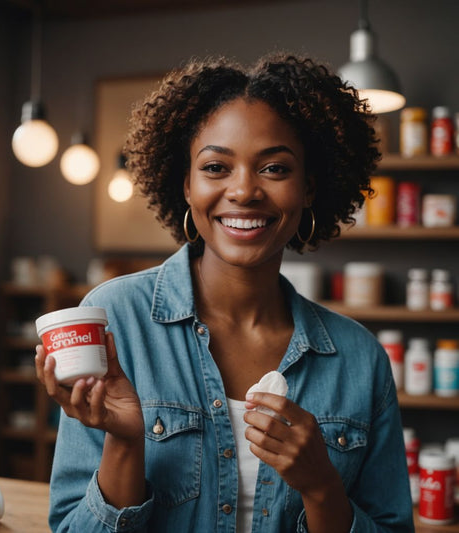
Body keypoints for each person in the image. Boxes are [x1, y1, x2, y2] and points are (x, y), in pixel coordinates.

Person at [35, 52, 414, 532]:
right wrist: (125, 444)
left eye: (274, 169)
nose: (244, 191)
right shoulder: (113, 322)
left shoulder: (360, 360)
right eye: (216, 167)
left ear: (309, 188)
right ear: (187, 186)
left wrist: (321, 487)